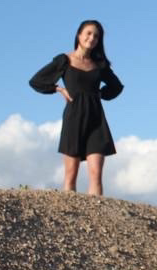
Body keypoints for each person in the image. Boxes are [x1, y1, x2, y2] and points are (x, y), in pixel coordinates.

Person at [29, 20, 124, 194]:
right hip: (74, 118)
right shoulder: (64, 60)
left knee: (96, 174)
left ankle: (97, 211)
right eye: (88, 33)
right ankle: (69, 211)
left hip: (96, 119)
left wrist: (100, 94)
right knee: (71, 175)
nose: (92, 38)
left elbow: (117, 86)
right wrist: (58, 89)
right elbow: (36, 81)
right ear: (79, 35)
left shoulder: (99, 64)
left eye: (96, 36)